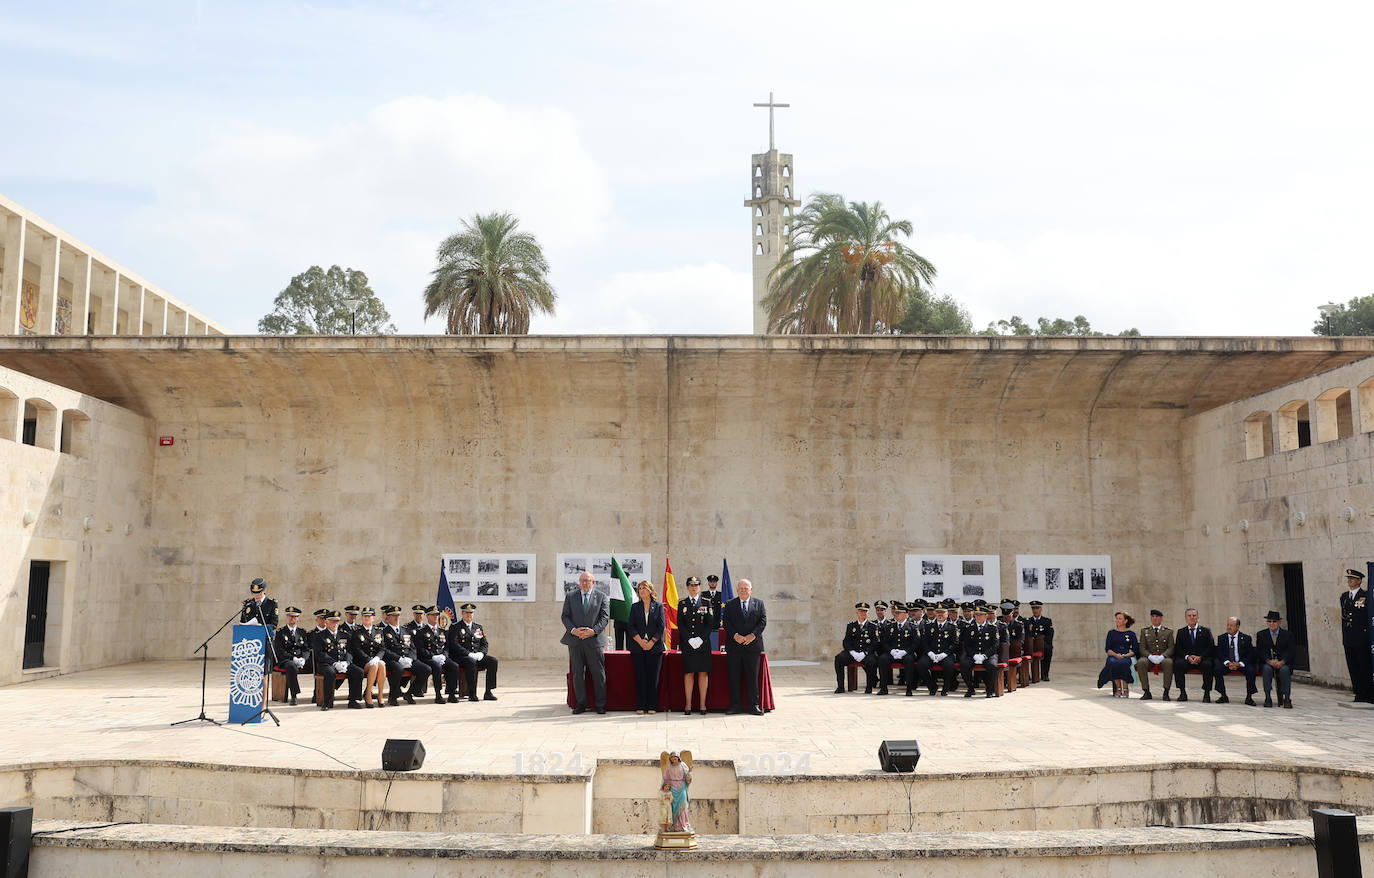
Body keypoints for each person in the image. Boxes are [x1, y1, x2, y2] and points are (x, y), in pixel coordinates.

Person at [562, 571, 609, 714]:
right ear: (579, 582)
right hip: (575, 641)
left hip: (594, 641)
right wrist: (573, 630)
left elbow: (605, 617)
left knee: (598, 673)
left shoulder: (601, 597)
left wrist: (593, 631)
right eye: (582, 580)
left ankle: (600, 704)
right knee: (577, 674)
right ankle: (581, 704)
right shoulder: (571, 596)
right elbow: (565, 616)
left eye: (587, 580)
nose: (584, 583)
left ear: (593, 582)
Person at [723, 579, 766, 715]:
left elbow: (762, 621)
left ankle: (754, 705)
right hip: (734, 647)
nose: (743, 590)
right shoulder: (730, 604)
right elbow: (726, 622)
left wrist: (752, 635)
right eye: (741, 588)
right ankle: (735, 706)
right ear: (737, 590)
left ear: (751, 590)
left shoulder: (759, 603)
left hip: (752, 647)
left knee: (752, 677)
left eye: (746, 588)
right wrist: (735, 635)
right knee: (734, 677)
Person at [677, 576, 714, 715]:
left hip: (703, 644)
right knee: (689, 672)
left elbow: (710, 623)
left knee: (703, 673)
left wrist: (701, 639)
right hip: (688, 644)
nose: (694, 587)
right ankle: (688, 704)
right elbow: (680, 624)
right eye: (691, 585)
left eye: (697, 585)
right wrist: (689, 639)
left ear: (699, 587)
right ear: (687, 587)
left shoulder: (706, 602)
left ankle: (703, 704)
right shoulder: (682, 603)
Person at [448, 603, 499, 701]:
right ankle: (472, 693)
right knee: (471, 662)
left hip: (476, 655)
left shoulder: (478, 627)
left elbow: (484, 643)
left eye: (471, 613)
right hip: (461, 657)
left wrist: (481, 653)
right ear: (462, 614)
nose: (469, 615)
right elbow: (454, 644)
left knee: (493, 661)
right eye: (466, 613)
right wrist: (468, 653)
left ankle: (488, 691)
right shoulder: (455, 627)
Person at [313, 610, 363, 710]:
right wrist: (334, 663)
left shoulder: (344, 635)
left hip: (343, 663)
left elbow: (350, 651)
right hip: (327, 664)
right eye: (332, 621)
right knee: (330, 672)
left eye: (336, 621)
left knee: (358, 672)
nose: (335, 624)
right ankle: (327, 701)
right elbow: (320, 654)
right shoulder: (319, 636)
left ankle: (353, 700)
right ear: (326, 622)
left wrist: (347, 662)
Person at [628, 580, 665, 714]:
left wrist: (651, 642)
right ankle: (641, 705)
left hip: (655, 648)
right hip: (638, 647)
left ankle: (652, 706)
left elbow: (661, 627)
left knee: (653, 677)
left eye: (644, 588)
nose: (641, 590)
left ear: (650, 590)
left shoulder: (659, 606)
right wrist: (641, 642)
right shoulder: (635, 607)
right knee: (640, 677)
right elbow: (631, 627)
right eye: (639, 588)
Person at [380, 605, 428, 705]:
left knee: (425, 669)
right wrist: (399, 659)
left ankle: (410, 693)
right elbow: (384, 649)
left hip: (408, 659)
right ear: (388, 617)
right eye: (393, 615)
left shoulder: (406, 630)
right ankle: (393, 697)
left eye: (398, 615)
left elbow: (413, 647)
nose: (396, 617)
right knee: (398, 669)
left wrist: (410, 659)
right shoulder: (383, 632)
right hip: (392, 660)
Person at [833, 602, 881, 695]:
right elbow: (846, 641)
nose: (863, 613)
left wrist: (865, 653)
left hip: (866, 654)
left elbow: (876, 642)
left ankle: (869, 687)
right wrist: (852, 652)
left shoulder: (873, 626)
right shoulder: (851, 626)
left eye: (865, 611)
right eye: (860, 611)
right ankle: (840, 687)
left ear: (868, 613)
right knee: (839, 658)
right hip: (853, 653)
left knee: (872, 661)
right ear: (857, 612)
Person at [1341, 568, 1372, 703]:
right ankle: (1358, 693)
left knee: (1363, 666)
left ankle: (1367, 693)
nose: (1350, 581)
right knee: (1352, 666)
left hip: (1361, 637)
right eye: (1348, 578)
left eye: (1353, 579)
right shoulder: (1344, 596)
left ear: (1359, 581)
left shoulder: (1365, 596)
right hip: (1348, 637)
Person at [416, 606, 459, 704]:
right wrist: (432, 656)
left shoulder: (442, 631)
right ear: (427, 616)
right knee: (436, 667)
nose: (436, 617)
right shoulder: (421, 632)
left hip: (441, 657)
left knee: (454, 666)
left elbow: (447, 647)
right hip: (428, 658)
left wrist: (444, 655)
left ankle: (452, 693)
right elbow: (420, 649)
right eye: (433, 615)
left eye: (437, 615)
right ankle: (438, 694)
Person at [1255, 610, 1296, 709]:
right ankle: (1268, 697)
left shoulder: (1288, 635)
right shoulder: (1261, 634)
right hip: (1268, 662)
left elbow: (1291, 651)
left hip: (1283, 662)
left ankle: (1287, 698)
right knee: (1267, 669)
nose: (1272, 623)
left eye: (1274, 621)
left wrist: (1282, 661)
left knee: (1285, 670)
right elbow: (1260, 651)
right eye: (1269, 621)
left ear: (1279, 622)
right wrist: (1269, 661)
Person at [1172, 608, 1215, 702]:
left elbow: (1210, 647)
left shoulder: (1206, 631)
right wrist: (1187, 657)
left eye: (1194, 615)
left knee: (1208, 665)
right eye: (1189, 615)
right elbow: (1178, 648)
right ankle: (1182, 692)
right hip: (1187, 659)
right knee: (1178, 665)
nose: (1192, 617)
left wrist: (1201, 657)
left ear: (1198, 617)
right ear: (1186, 618)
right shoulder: (1181, 632)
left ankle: (1207, 693)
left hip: (1202, 659)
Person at [917, 604, 961, 696]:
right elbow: (924, 642)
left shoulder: (952, 627)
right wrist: (930, 653)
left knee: (949, 665)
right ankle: (932, 686)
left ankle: (946, 688)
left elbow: (955, 643)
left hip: (946, 655)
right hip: (931, 654)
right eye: (938, 612)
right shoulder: (929, 626)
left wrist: (944, 654)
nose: (940, 614)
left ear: (947, 614)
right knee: (921, 665)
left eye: (942, 612)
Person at [272, 606, 312, 706]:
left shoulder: (302, 632)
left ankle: (319, 695)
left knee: (318, 665)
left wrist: (303, 658)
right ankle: (294, 696)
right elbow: (279, 651)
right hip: (286, 659)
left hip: (301, 659)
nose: (292, 618)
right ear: (286, 617)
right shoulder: (280, 632)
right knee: (291, 667)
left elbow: (306, 649)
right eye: (289, 616)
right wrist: (293, 658)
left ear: (298, 618)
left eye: (294, 616)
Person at [1213, 616, 1257, 706]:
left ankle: (1249, 697)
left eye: (1232, 625)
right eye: (1228, 625)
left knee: (1251, 671)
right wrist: (1227, 662)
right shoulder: (1222, 638)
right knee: (1217, 670)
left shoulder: (1246, 638)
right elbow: (1219, 653)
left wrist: (1240, 664)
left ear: (1237, 627)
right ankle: (1223, 695)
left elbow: (1250, 654)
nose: (1229, 627)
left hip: (1241, 663)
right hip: (1228, 663)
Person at [348, 607, 387, 708]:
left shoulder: (378, 631)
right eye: (365, 616)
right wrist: (369, 660)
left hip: (375, 661)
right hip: (362, 662)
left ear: (373, 618)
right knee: (374, 666)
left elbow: (382, 648)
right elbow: (357, 650)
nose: (367, 618)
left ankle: (380, 695)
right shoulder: (357, 632)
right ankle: (368, 693)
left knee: (381, 665)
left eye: (369, 616)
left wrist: (377, 658)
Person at [961, 603, 1002, 698]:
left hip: (988, 655)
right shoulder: (969, 628)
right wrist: (974, 655)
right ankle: (970, 689)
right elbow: (967, 645)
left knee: (992, 666)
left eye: (981, 615)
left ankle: (989, 690)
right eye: (977, 615)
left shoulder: (993, 628)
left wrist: (984, 656)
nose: (978, 617)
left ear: (986, 616)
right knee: (964, 665)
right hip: (973, 655)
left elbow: (995, 645)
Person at [1134, 609, 1174, 701]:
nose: (1155, 618)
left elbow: (1171, 647)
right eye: (1153, 616)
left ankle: (1166, 691)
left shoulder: (1168, 632)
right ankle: (1146, 691)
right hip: (1149, 657)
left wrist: (1163, 656)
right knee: (1141, 662)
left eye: (1157, 617)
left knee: (1169, 662)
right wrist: (1150, 656)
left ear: (1161, 618)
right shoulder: (1145, 631)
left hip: (1163, 657)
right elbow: (1142, 647)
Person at [1097, 611, 1139, 697]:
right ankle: (1118, 688)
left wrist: (1125, 655)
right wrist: (1116, 655)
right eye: (1116, 618)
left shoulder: (1131, 634)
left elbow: (1135, 650)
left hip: (1126, 655)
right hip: (1113, 655)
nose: (1117, 620)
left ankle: (1126, 689)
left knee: (1124, 663)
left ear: (1125, 621)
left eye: (1120, 619)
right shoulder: (1111, 633)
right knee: (1112, 663)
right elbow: (1108, 649)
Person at [887, 603, 920, 696]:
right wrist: (891, 651)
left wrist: (905, 651)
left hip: (907, 652)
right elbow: (885, 642)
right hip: (893, 652)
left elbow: (916, 642)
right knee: (882, 659)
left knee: (909, 660)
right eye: (896, 613)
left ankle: (909, 688)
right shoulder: (890, 626)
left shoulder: (912, 626)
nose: (896, 614)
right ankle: (883, 687)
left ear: (906, 614)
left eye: (899, 613)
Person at [660, 752, 692, 833]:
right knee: (673, 807)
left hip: (682, 788)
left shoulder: (683, 765)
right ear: (670, 759)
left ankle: (683, 825)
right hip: (672, 788)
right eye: (672, 758)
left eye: (675, 758)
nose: (674, 759)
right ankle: (674, 826)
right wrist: (664, 789)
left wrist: (689, 773)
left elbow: (688, 778)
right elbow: (665, 778)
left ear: (678, 758)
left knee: (683, 807)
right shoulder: (669, 767)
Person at [1027, 600, 1054, 681]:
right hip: (1031, 645)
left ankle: (1045, 674)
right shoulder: (1028, 621)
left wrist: (1043, 643)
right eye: (1033, 608)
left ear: (1041, 609)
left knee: (1048, 649)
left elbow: (1050, 635)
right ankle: (1027, 675)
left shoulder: (1047, 621)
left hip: (1043, 644)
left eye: (1037, 608)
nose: (1035, 610)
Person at [704, 574, 723, 650]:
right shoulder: (703, 595)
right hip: (706, 626)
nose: (712, 583)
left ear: (717, 583)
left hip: (718, 625)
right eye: (711, 581)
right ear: (708, 583)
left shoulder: (721, 595)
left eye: (714, 582)